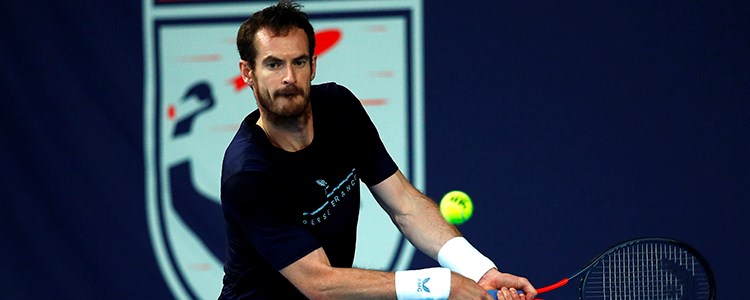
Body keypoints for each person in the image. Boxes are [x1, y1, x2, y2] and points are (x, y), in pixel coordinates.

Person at [219, 2, 536, 299]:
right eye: (273, 64)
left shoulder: (339, 108)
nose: (289, 77)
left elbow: (404, 203)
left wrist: (479, 269)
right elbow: (318, 283)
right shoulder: (248, 174)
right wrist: (439, 285)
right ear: (247, 72)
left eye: (298, 61)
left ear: (313, 65)